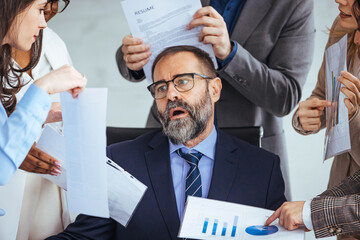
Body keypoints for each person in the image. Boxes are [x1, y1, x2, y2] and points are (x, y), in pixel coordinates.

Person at [48, 46, 286, 239]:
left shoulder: (262, 169)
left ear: (214, 89)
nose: (171, 95)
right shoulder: (119, 162)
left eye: (183, 82)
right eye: (161, 87)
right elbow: (83, 238)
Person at [116, 0, 316, 199]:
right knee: (150, 224)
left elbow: (285, 96)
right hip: (168, 134)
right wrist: (132, 59)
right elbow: (141, 38)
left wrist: (230, 54)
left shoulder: (293, 3)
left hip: (248, 144)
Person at [266, 0, 360, 239]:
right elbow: (323, 95)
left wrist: (311, 212)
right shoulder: (343, 29)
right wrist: (306, 117)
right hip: (344, 192)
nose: (338, 0)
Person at [0, 0, 86, 230]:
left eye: (56, 3)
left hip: (51, 180)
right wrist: (14, 146)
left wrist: (45, 115)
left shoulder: (51, 41)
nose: (49, 12)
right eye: (41, 6)